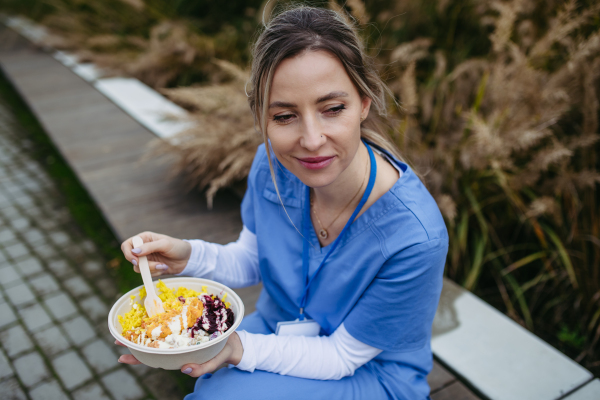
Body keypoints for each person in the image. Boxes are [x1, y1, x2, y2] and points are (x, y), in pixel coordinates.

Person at [117, 6, 448, 400]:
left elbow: (342, 356)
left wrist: (236, 348)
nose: (311, 140)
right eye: (285, 116)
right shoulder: (270, 165)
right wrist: (188, 257)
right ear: (262, 118)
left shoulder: (416, 237)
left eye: (333, 109)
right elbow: (256, 259)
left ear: (364, 101)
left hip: (367, 370)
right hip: (278, 327)